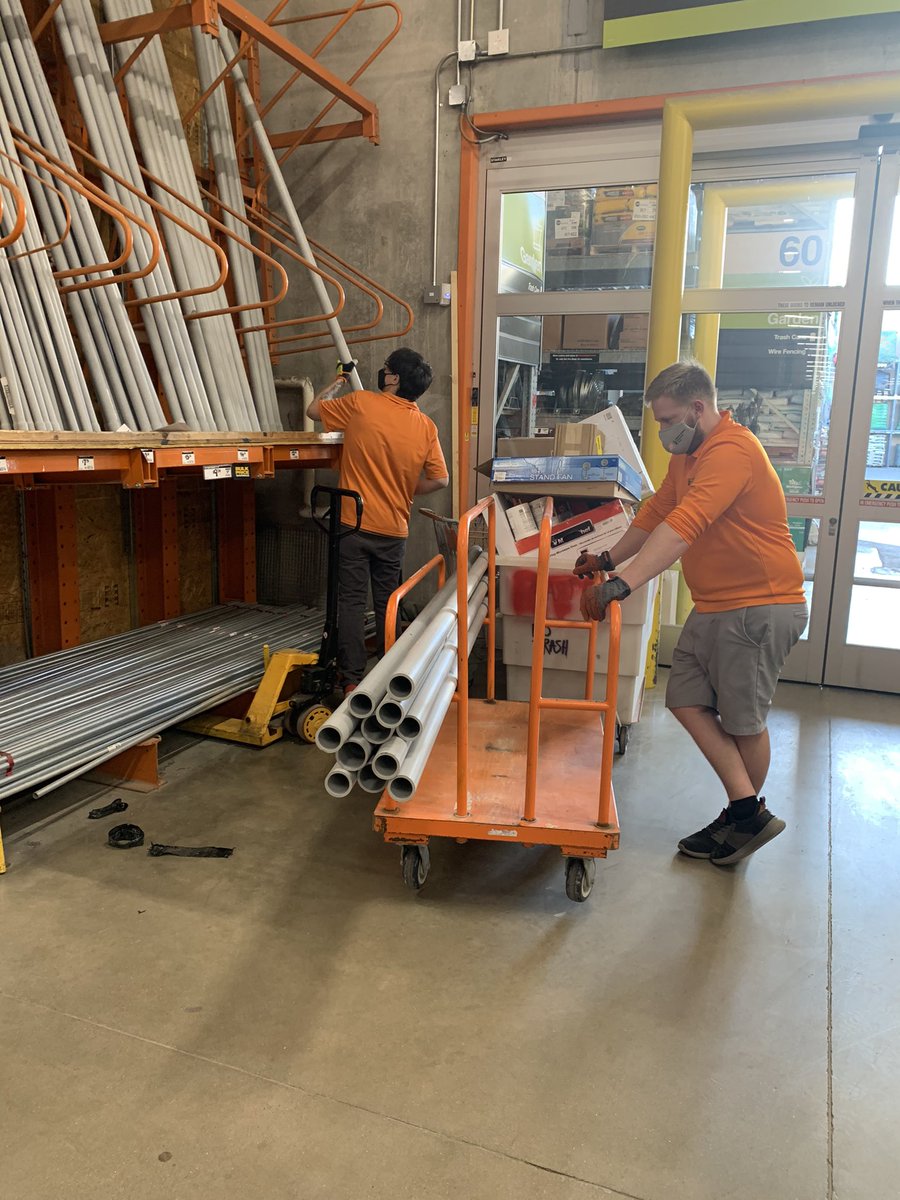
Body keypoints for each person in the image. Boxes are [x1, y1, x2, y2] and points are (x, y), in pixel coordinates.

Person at [573, 361, 808, 866]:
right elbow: (658, 512)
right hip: (717, 604)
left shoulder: (732, 451)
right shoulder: (689, 455)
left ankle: (742, 815)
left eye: (668, 419)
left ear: (699, 408)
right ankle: (746, 811)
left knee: (744, 723)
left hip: (760, 604)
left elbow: (685, 526)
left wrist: (621, 585)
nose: (663, 431)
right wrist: (608, 557)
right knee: (684, 699)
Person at [307, 348, 449, 694]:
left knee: (353, 602)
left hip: (354, 526)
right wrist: (406, 488)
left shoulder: (361, 404)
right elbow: (441, 479)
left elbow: (313, 410)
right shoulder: (425, 426)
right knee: (389, 603)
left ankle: (352, 679)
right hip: (394, 530)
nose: (382, 372)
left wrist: (336, 381)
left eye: (386, 369)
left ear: (394, 378)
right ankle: (390, 675)